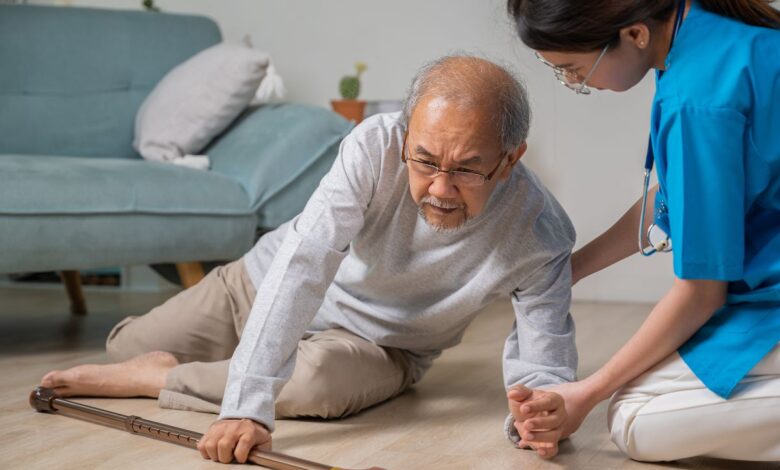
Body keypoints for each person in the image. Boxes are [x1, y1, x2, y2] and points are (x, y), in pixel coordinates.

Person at [41, 55, 578, 464]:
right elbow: (304, 264)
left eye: (466, 169)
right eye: (425, 159)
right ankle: (164, 366)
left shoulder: (541, 233)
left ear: (511, 159)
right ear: (406, 133)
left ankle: (161, 380)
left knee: (316, 383)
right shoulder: (374, 145)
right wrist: (246, 400)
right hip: (260, 283)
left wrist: (538, 416)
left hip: (377, 344)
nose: (440, 188)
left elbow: (545, 364)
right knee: (125, 344)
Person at [506, 0, 780, 462]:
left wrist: (584, 394)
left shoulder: (696, 98)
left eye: (573, 70)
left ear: (634, 35)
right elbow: (682, 196)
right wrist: (567, 272)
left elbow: (700, 293)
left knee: (634, 417)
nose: (575, 83)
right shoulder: (716, 37)